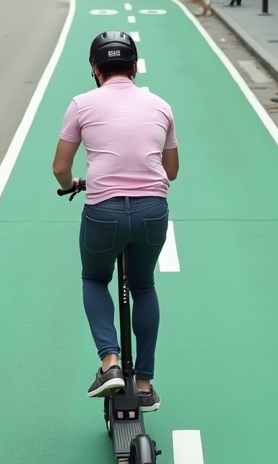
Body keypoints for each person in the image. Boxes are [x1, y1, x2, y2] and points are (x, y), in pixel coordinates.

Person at [52, 30, 179, 413]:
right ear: (134, 67)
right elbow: (171, 171)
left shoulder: (81, 104)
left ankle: (110, 363)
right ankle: (145, 384)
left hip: (103, 212)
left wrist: (72, 184)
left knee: (94, 279)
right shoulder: (161, 106)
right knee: (143, 285)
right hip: (151, 212)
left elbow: (60, 168)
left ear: (95, 69)